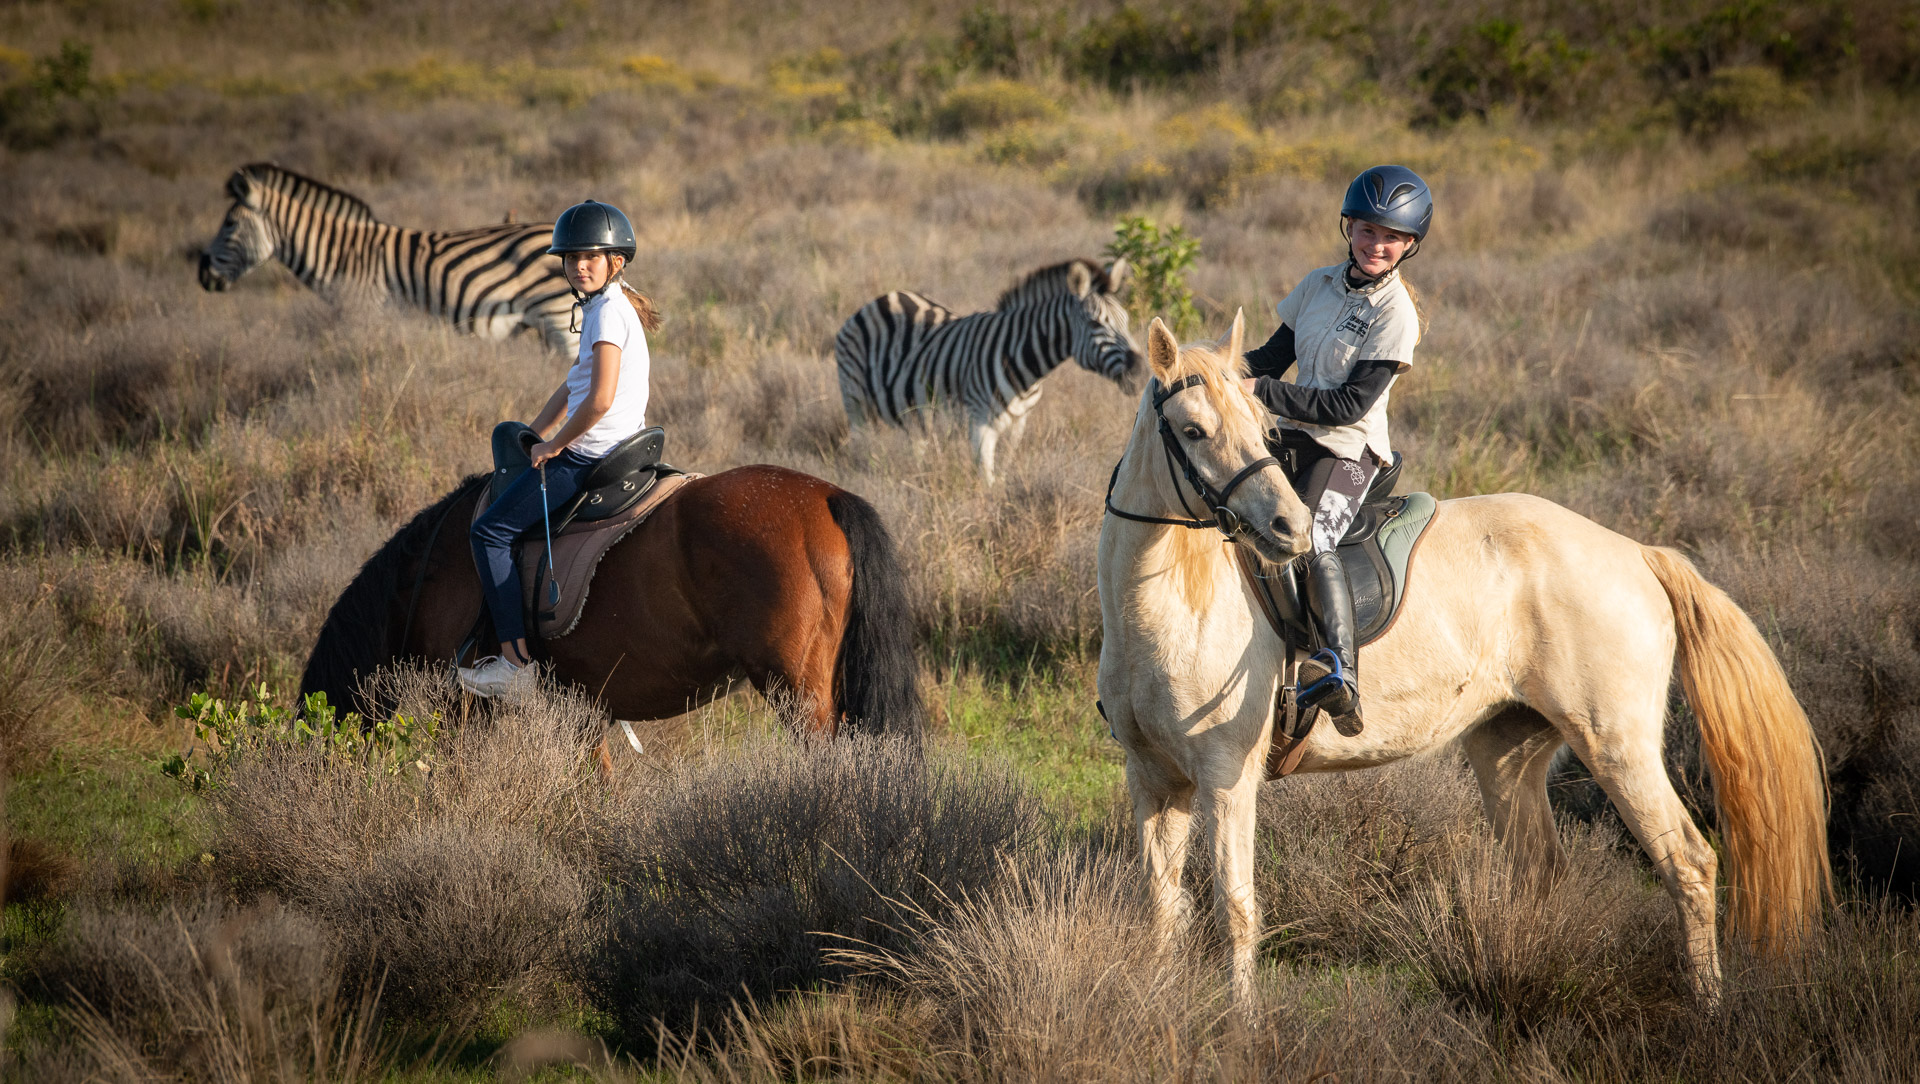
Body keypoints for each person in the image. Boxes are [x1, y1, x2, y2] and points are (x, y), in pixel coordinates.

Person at [1238, 165, 1431, 723]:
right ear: (1348, 227)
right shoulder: (1317, 285)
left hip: (1351, 451)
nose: (1377, 245)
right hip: (1292, 437)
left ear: (1409, 245)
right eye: (1368, 230)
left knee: (1311, 536)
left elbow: (1349, 407)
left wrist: (1262, 391)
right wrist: (1208, 371)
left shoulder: (1396, 314)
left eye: (1391, 236)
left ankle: (1341, 672)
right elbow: (1269, 359)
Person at [457, 199, 659, 698]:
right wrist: (533, 430)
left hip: (592, 451)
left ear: (616, 261)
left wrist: (554, 444)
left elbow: (600, 399)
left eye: (590, 256)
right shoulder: (610, 304)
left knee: (489, 532)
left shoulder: (606, 312)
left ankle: (514, 665)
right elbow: (575, 384)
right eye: (571, 258)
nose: (579, 266)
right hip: (622, 441)